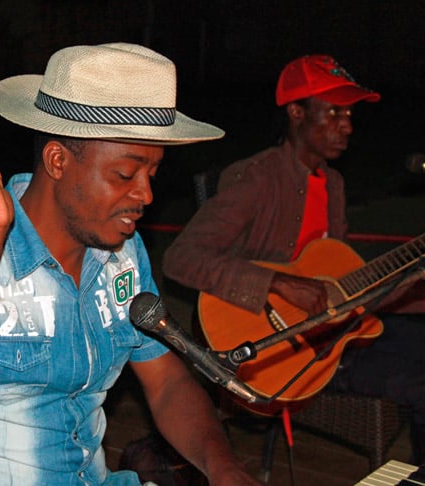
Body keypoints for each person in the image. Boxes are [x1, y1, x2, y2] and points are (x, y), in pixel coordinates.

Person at [0, 43, 261, 485]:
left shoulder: (121, 255)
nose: (146, 196)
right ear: (57, 160)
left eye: (152, 174)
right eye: (125, 174)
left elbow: (167, 381)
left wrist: (224, 468)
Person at [162, 54, 425, 465]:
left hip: (336, 337)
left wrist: (410, 290)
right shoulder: (256, 178)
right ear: (297, 113)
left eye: (350, 113)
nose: (347, 125)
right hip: (279, 356)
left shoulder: (333, 185)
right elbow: (181, 258)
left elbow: (344, 284)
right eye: (334, 112)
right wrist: (279, 284)